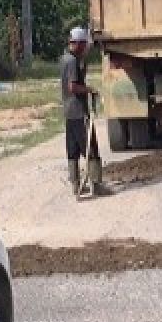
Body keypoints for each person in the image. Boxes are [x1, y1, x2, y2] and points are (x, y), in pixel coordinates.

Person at [60, 27, 104, 196]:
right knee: (90, 147)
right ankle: (96, 185)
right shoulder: (72, 62)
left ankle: (75, 185)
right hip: (78, 111)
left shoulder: (66, 59)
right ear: (77, 43)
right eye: (83, 44)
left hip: (69, 112)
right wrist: (90, 89)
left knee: (72, 149)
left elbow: (79, 69)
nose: (85, 47)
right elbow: (73, 87)